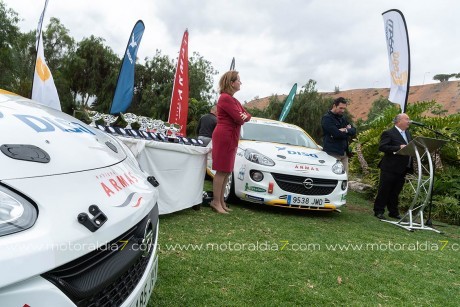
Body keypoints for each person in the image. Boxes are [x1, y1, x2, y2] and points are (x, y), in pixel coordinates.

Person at [211, 70, 251, 214]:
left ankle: (221, 201)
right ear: (232, 83)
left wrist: (242, 115)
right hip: (225, 135)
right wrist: (242, 116)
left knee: (227, 171)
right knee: (222, 170)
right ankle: (216, 202)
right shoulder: (225, 98)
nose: (241, 83)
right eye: (239, 80)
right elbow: (240, 118)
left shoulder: (234, 100)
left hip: (232, 136)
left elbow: (248, 116)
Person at [373, 113, 413, 219]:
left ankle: (393, 212)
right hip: (390, 167)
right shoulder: (389, 133)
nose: (409, 121)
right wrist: (398, 147)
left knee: (396, 191)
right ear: (399, 121)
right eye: (407, 119)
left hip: (403, 167)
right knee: (384, 189)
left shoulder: (408, 134)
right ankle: (379, 210)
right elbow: (383, 147)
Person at [321, 97, 356, 173]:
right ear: (334, 106)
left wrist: (345, 130)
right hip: (332, 154)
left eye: (344, 108)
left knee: (345, 177)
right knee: (333, 176)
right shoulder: (327, 119)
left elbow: (353, 131)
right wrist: (347, 132)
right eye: (340, 108)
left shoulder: (343, 118)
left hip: (344, 154)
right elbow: (337, 134)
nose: (342, 110)